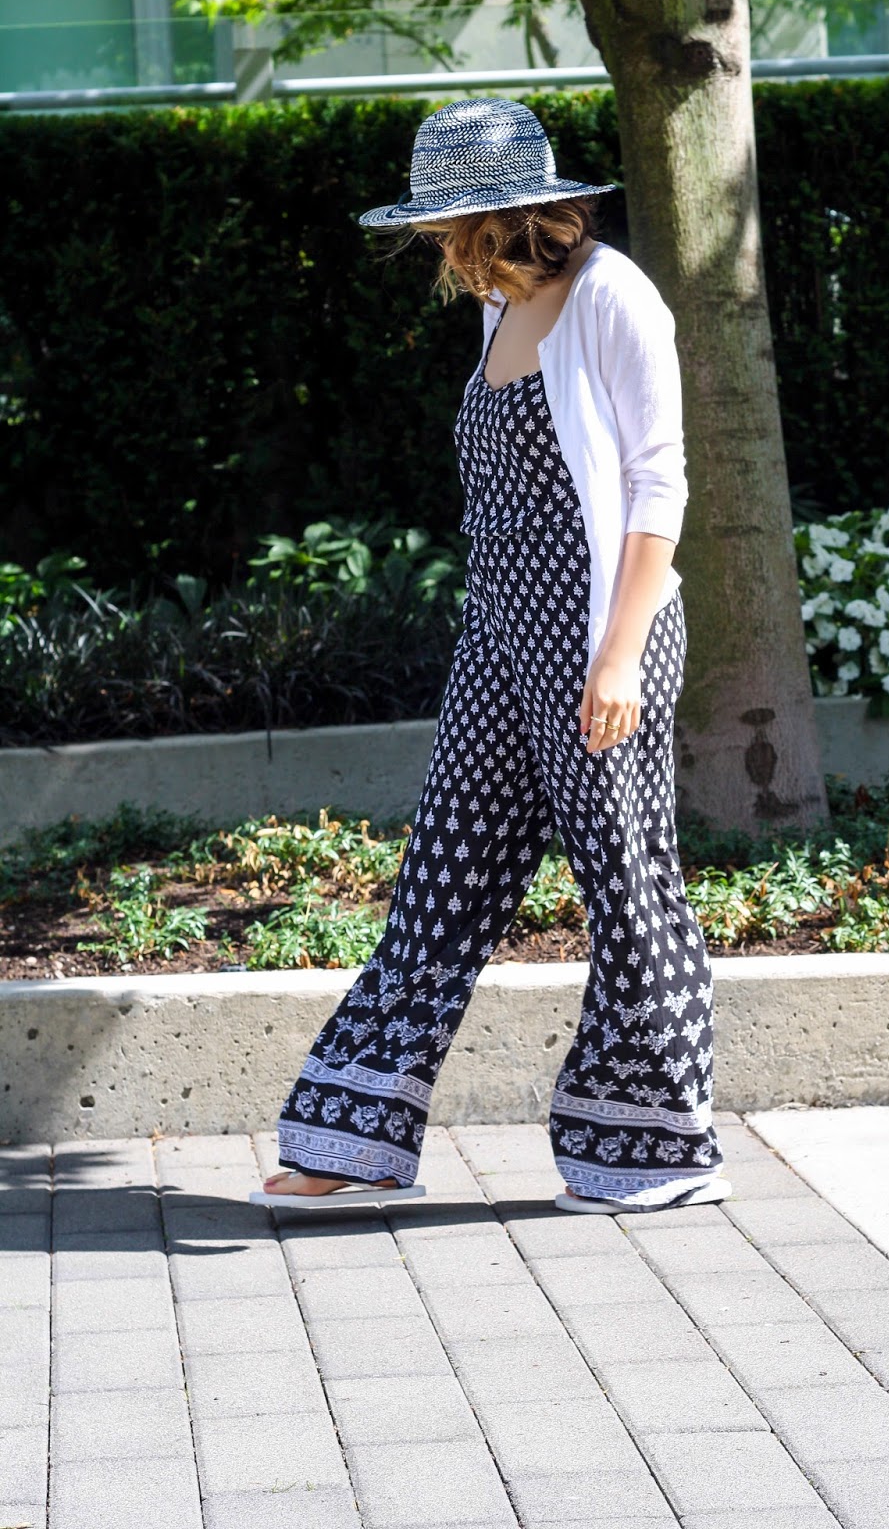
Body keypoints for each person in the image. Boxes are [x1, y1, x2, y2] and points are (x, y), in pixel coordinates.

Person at [254, 97, 730, 1215]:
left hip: (599, 631)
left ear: (493, 218)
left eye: (443, 224)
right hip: (502, 631)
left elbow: (658, 484)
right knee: (445, 872)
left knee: (624, 882)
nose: (433, 243)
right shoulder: (499, 304)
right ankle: (352, 1133)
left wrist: (617, 658)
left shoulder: (613, 295)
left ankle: (657, 1150)